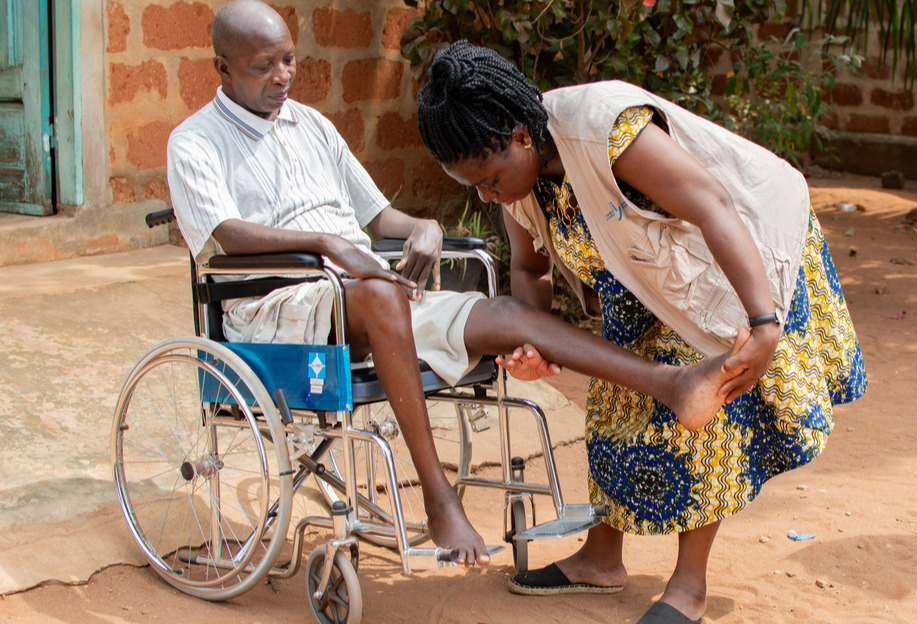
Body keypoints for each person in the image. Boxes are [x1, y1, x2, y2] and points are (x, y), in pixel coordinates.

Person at [167, 0, 736, 571]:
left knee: (504, 313)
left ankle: (670, 383)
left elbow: (379, 216)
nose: (282, 75)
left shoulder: (312, 125)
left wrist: (425, 227)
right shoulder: (194, 142)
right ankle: (440, 500)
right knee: (380, 290)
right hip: (275, 303)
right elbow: (223, 234)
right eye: (263, 66)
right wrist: (328, 244)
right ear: (223, 68)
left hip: (362, 291)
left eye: (288, 59)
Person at [416, 41, 868, 623]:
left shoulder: (607, 130)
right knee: (613, 402)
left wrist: (762, 323)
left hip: (733, 261)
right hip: (645, 282)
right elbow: (530, 270)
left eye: (491, 178)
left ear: (522, 138)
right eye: (473, 187)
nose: (488, 194)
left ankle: (689, 587)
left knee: (705, 411)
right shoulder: (519, 188)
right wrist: (530, 344)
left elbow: (712, 205)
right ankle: (602, 558)